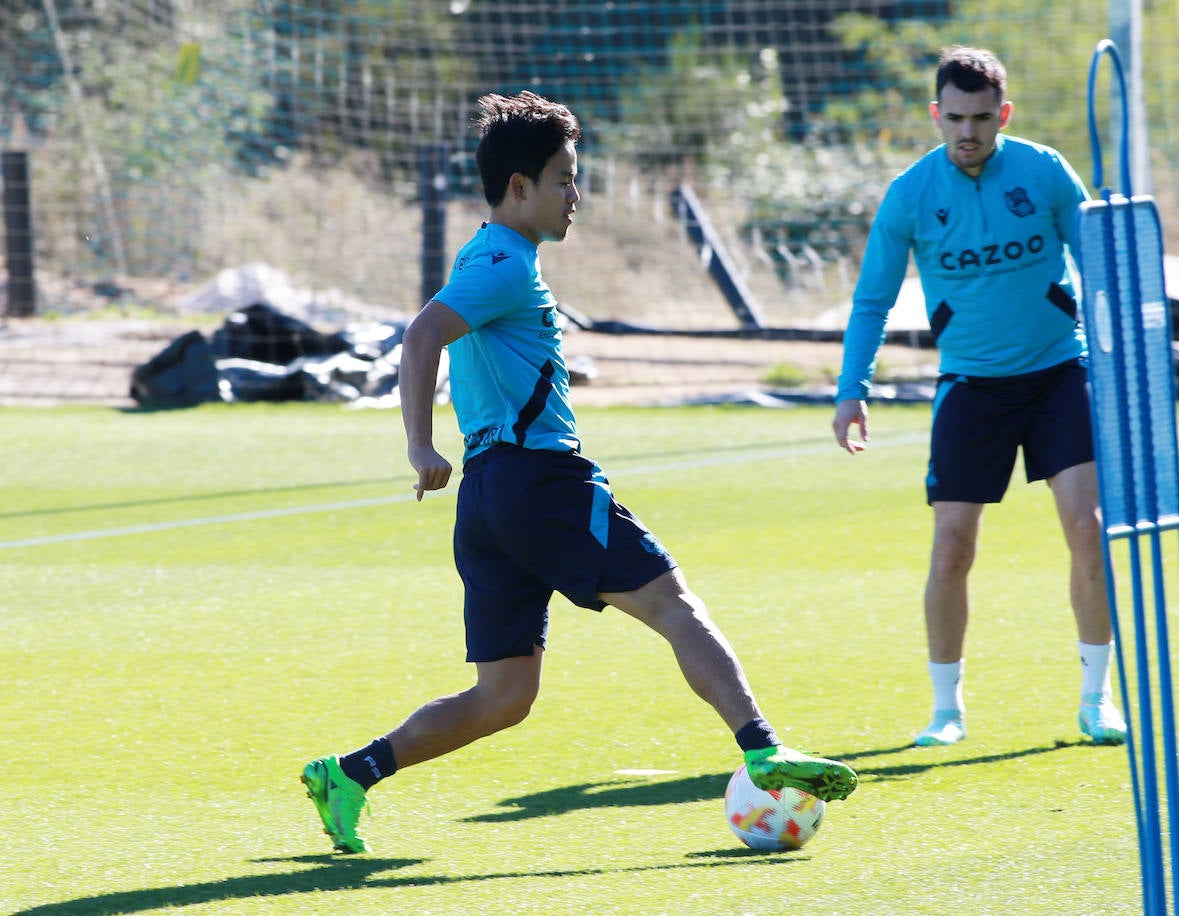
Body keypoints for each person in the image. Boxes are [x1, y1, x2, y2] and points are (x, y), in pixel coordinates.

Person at [301, 90, 857, 854]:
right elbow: (423, 331)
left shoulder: (485, 254)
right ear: (520, 187)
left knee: (504, 696)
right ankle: (764, 748)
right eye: (563, 177)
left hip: (490, 497)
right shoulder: (503, 265)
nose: (576, 194)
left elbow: (454, 335)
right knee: (672, 602)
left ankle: (351, 774)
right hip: (541, 483)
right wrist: (419, 444)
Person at [831, 47, 1128, 748]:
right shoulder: (910, 194)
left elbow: (1102, 268)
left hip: (1060, 372)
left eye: (982, 118)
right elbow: (872, 300)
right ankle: (945, 710)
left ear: (1004, 114)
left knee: (1088, 527)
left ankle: (1097, 699)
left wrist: (1122, 357)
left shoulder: (1045, 171)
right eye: (955, 117)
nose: (968, 131)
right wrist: (853, 390)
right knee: (952, 547)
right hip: (970, 385)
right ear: (936, 115)